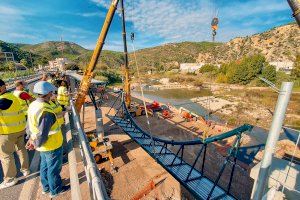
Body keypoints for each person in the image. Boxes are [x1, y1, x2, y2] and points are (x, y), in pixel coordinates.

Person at [26, 81, 69, 198]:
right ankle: (55, 190)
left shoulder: (33, 105)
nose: (52, 94)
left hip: (43, 146)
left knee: (44, 167)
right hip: (51, 144)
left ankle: (46, 188)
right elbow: (43, 133)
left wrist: (31, 140)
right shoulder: (45, 110)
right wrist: (35, 143)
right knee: (53, 169)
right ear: (48, 92)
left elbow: (29, 125)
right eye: (51, 92)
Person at [0, 79, 30, 189]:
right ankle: (25, 169)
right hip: (20, 129)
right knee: (21, 149)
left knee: (6, 155)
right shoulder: (13, 96)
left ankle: (10, 179)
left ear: (2, 87)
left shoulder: (3, 100)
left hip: (7, 133)